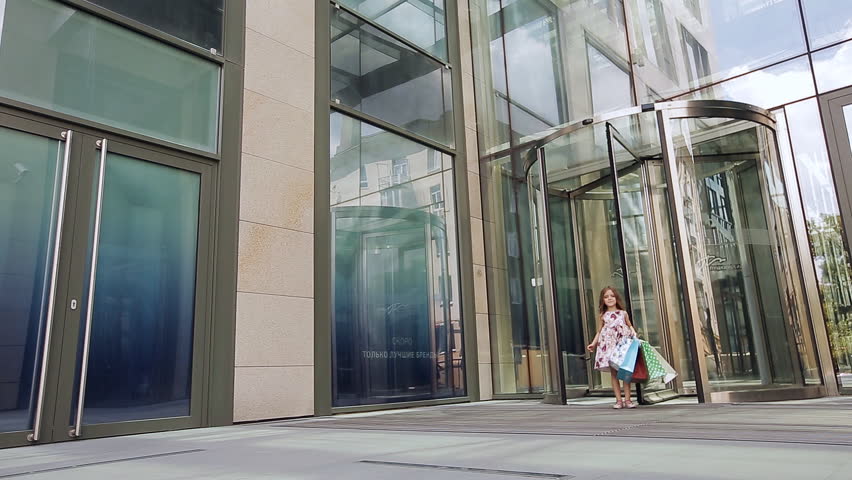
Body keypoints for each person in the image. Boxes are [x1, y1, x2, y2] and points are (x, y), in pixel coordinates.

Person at [586, 286, 638, 409]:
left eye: (612, 296)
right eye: (606, 297)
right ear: (603, 300)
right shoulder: (603, 315)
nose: (609, 298)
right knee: (614, 373)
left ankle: (628, 399)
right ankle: (618, 400)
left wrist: (634, 333)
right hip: (608, 346)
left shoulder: (623, 313)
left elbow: (629, 325)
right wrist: (593, 343)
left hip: (622, 345)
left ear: (616, 298)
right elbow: (599, 331)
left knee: (625, 372)